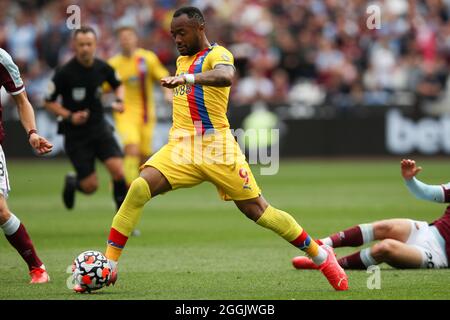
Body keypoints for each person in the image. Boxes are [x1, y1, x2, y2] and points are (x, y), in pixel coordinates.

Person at [78, 6, 349, 294]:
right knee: (138, 189)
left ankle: (321, 255)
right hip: (181, 147)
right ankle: (109, 265)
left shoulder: (218, 55)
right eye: (173, 35)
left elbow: (225, 77)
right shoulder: (183, 60)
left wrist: (188, 79)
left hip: (218, 148)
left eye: (182, 33)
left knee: (258, 211)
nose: (177, 40)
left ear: (200, 28)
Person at [293, 159, 449, 270]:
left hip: (438, 255)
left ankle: (327, 264)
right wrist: (410, 180)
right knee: (385, 227)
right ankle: (317, 246)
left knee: (386, 248)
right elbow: (429, 193)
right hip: (429, 232)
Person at [44, 26, 128, 211]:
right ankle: (73, 183)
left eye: (89, 44)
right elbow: (48, 102)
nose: (85, 48)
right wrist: (70, 116)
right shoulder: (64, 72)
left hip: (99, 127)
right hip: (76, 135)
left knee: (118, 171)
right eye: (81, 44)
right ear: (75, 45)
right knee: (90, 187)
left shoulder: (102, 67)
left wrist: (119, 100)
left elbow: (118, 85)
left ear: (95, 45)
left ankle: (123, 222)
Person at [0, 48, 53, 283]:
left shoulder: (1, 59)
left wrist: (32, 132)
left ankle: (36, 267)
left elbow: (22, 101)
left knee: (0, 211)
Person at [108, 26, 172, 186]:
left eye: (129, 37)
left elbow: (163, 76)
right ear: (119, 41)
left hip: (146, 114)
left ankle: (125, 179)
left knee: (143, 156)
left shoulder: (147, 59)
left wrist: (167, 93)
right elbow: (101, 87)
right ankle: (126, 188)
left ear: (136, 39)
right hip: (125, 114)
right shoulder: (113, 64)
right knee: (132, 149)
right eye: (123, 38)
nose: (126, 40)